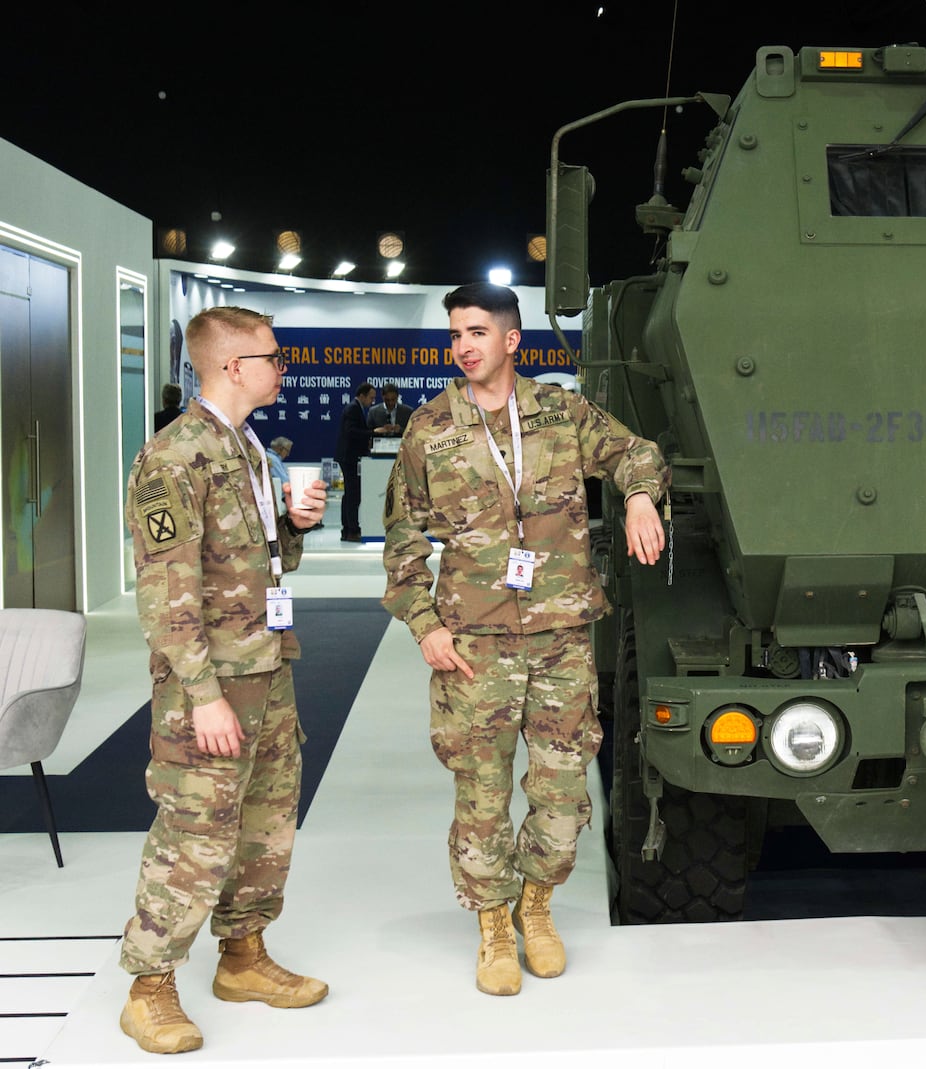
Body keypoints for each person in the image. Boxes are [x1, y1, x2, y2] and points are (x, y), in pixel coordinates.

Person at [381, 282, 666, 996]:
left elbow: (638, 453)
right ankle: (491, 923)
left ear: (512, 340)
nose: (463, 346)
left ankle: (536, 907)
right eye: (455, 334)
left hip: (562, 638)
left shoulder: (561, 412)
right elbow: (401, 536)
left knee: (563, 793)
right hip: (472, 642)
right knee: (480, 794)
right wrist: (425, 624)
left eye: (476, 331)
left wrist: (636, 495)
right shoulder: (430, 428)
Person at [118, 306, 330, 1055]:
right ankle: (149, 989)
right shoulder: (172, 459)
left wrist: (294, 524)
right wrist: (202, 694)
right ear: (232, 366)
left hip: (267, 670)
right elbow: (166, 593)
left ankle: (242, 958)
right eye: (274, 356)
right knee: (195, 834)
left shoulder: (247, 448)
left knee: (266, 828)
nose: (283, 368)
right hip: (209, 684)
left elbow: (264, 560)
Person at [335, 382, 374, 541]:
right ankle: (352, 529)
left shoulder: (355, 408)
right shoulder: (353, 408)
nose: (372, 401)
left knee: (350, 494)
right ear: (362, 395)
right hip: (349, 457)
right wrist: (372, 432)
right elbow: (351, 431)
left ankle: (347, 529)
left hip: (348, 456)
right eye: (371, 398)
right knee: (353, 495)